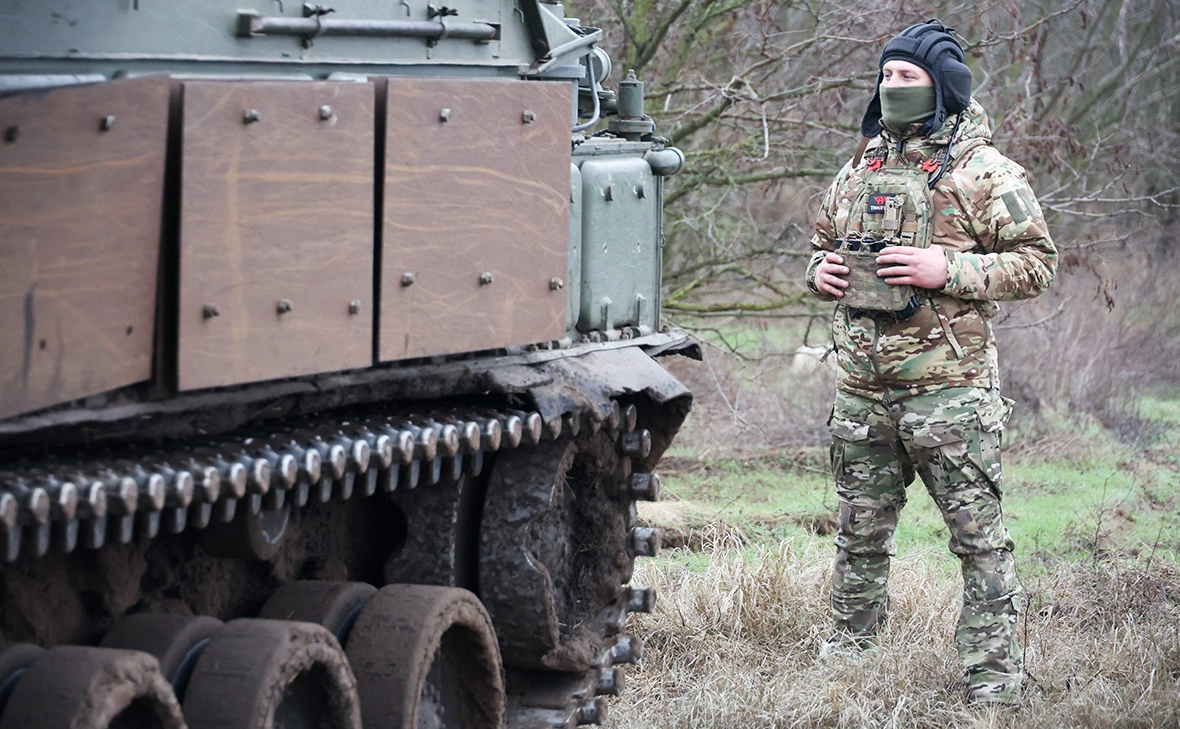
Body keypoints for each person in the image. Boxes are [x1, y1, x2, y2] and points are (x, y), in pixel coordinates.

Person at [804, 20, 1057, 705]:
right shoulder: (861, 166)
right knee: (857, 537)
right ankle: (847, 663)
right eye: (885, 76)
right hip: (862, 390)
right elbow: (821, 240)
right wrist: (818, 271)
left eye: (907, 77)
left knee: (978, 542)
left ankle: (994, 681)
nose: (892, 88)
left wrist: (947, 266)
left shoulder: (985, 171)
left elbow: (1038, 263)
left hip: (950, 394)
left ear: (941, 87)